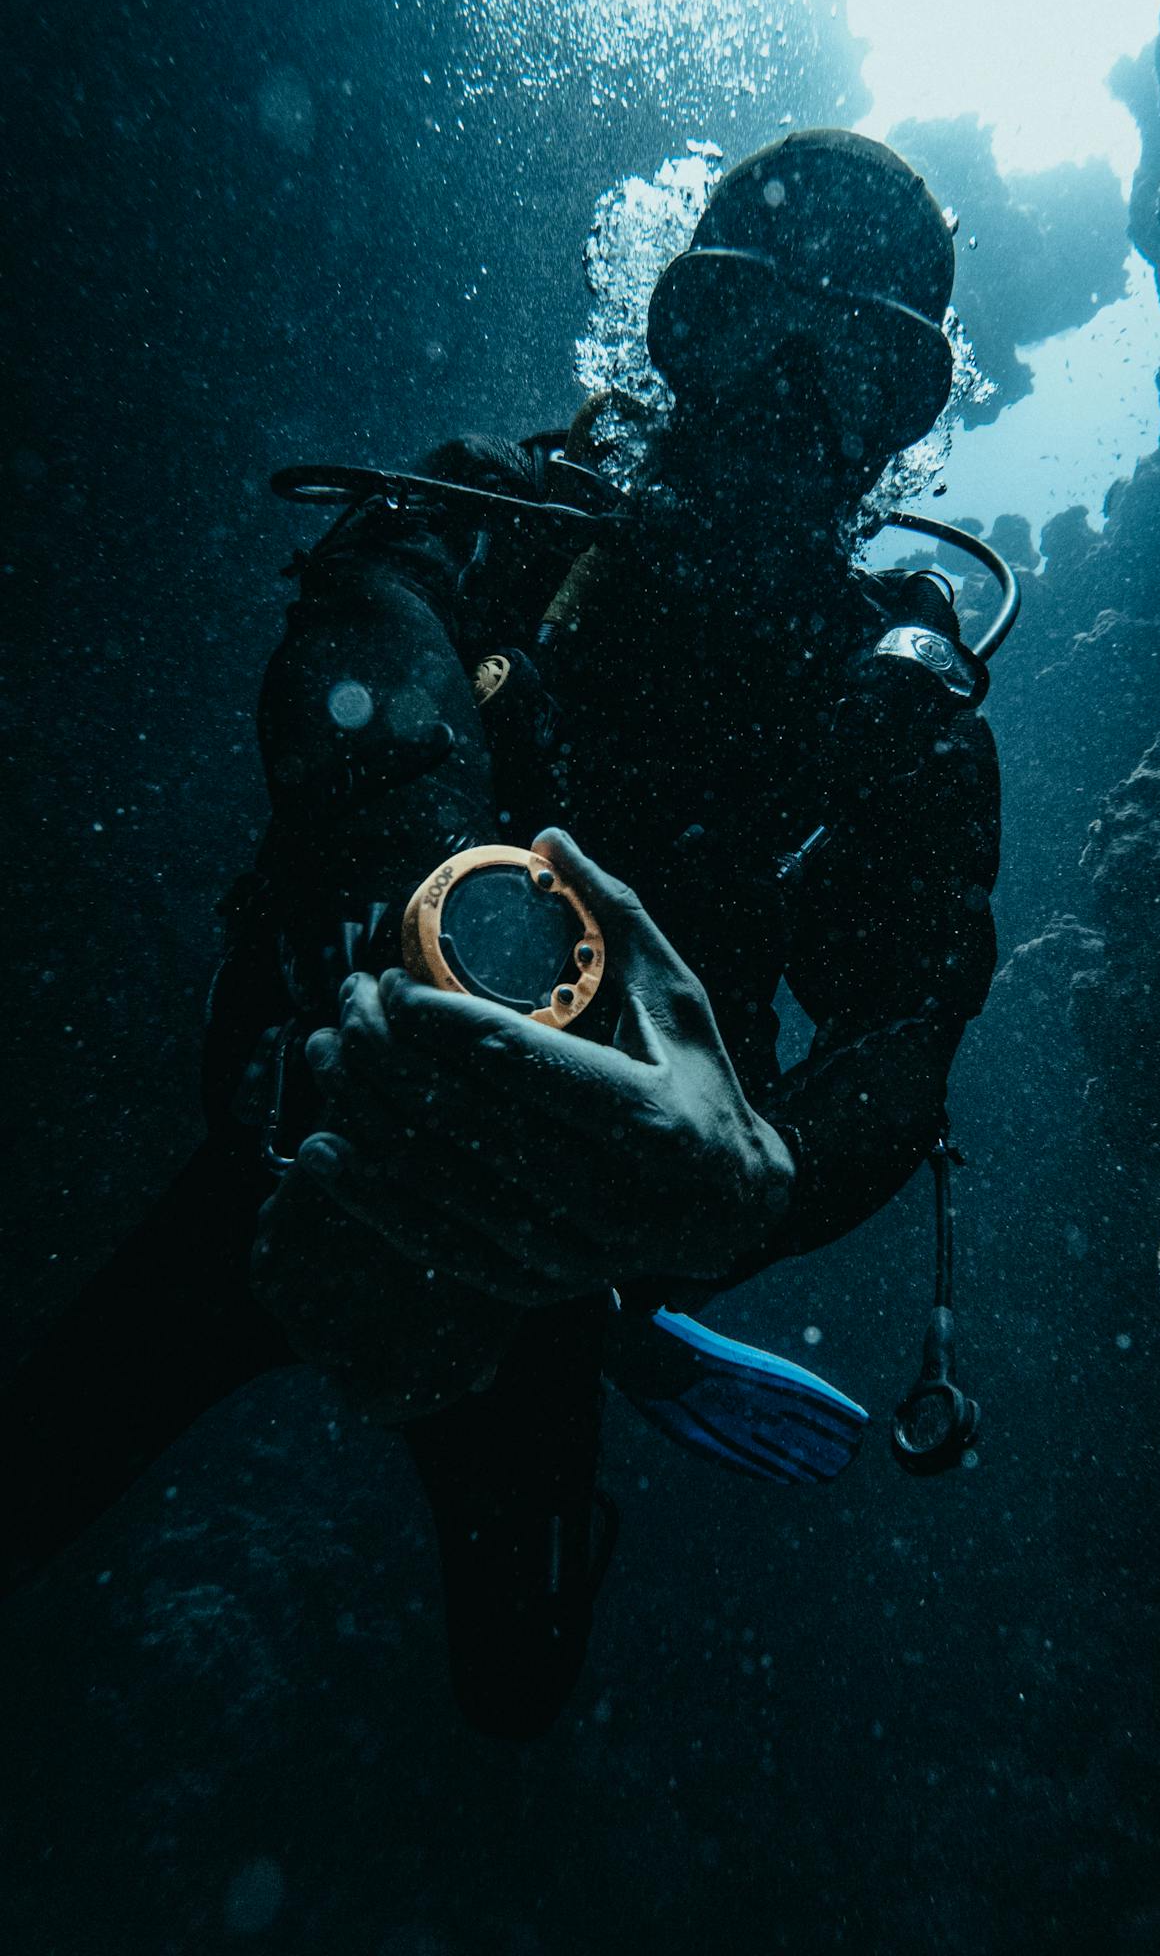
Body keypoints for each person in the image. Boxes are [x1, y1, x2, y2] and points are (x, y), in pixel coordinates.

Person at [1, 130, 1000, 1737]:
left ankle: (626, 1343)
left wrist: (759, 1182)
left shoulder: (889, 698)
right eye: (746, 327)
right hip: (304, 1146)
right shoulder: (489, 520)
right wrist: (451, 960)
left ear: (907, 418)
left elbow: (913, 1014)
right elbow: (366, 644)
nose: (788, 401)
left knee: (516, 1697)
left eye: (861, 367)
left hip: (560, 1277)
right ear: (671, 335)